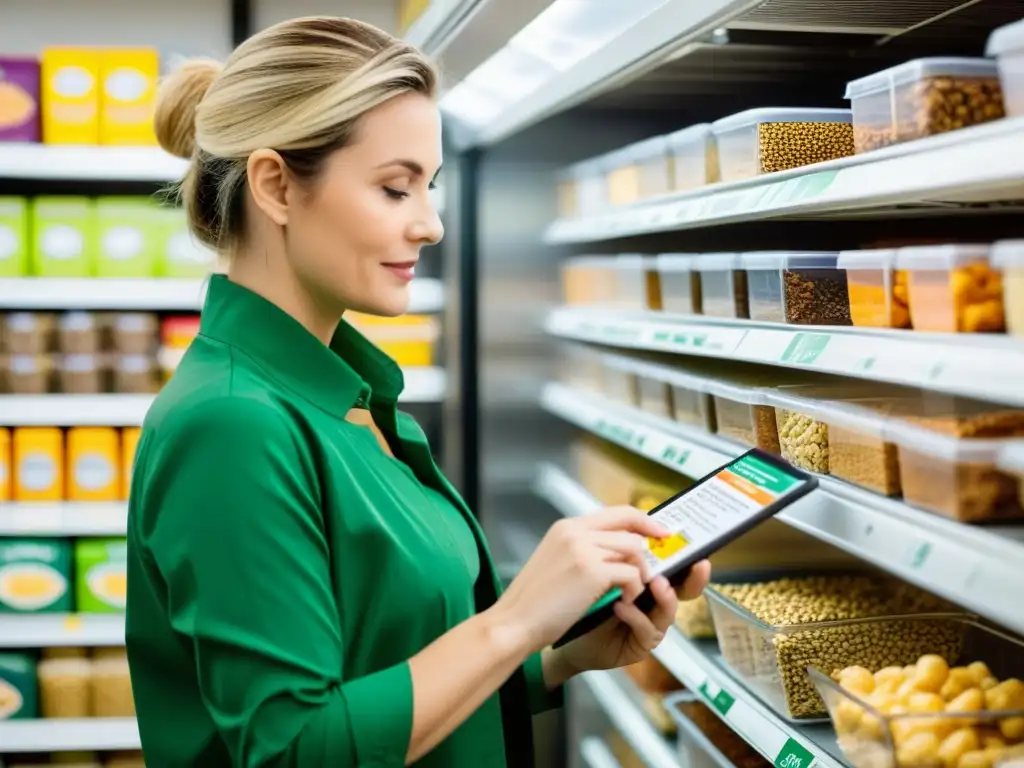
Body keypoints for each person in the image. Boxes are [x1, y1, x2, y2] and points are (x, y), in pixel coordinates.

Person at [125, 15, 711, 768]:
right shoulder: (234, 425)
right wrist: (516, 623)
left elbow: (387, 663)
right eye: (395, 189)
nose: (431, 225)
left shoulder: (350, 397)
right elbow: (291, 750)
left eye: (428, 188)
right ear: (275, 186)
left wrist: (559, 653)